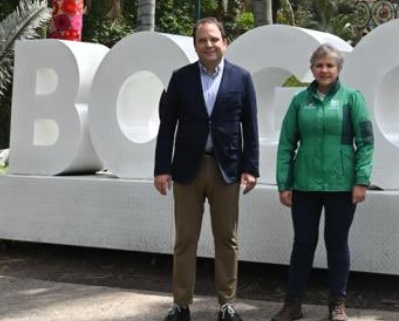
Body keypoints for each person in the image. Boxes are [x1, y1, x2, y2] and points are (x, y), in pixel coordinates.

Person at [154, 18, 259, 321]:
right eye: (203, 40)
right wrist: (162, 168)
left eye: (214, 39)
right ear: (195, 45)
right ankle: (181, 304)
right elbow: (167, 127)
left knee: (227, 239)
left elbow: (250, 127)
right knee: (185, 239)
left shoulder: (242, 78)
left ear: (225, 42)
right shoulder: (180, 78)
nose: (209, 45)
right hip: (187, 169)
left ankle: (226, 304)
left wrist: (251, 167)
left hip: (226, 168)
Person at [270, 44, 375, 321]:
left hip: (342, 185)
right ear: (312, 68)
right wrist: (284, 182)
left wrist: (361, 180)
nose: (324, 70)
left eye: (330, 65)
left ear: (338, 68)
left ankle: (337, 305)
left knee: (337, 243)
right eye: (319, 65)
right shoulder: (299, 101)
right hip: (304, 185)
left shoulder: (353, 99)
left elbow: (365, 142)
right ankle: (293, 305)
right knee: (302, 244)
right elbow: (286, 144)